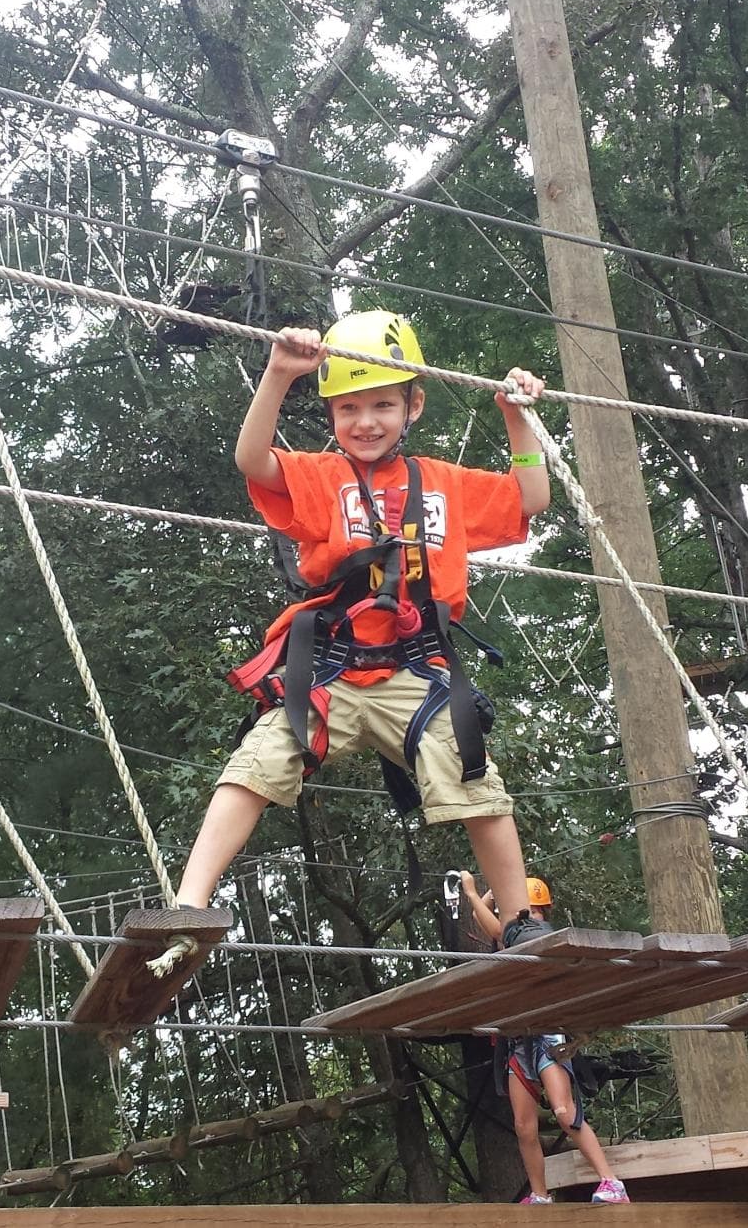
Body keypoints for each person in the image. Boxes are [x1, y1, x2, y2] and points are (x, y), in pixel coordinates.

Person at [173, 310, 547, 945]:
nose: (365, 421)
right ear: (331, 416)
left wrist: (518, 417)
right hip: (334, 667)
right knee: (261, 757)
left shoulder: (443, 483)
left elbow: (531, 498)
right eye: (348, 409)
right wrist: (278, 375)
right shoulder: (323, 478)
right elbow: (252, 459)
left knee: (471, 768)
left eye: (381, 405)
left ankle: (519, 920)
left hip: (416, 671)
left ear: (413, 405)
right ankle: (188, 903)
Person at [458, 871, 630, 1206]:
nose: (532, 915)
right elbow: (492, 929)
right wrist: (491, 896)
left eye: (535, 910)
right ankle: (539, 1194)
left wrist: (471, 892)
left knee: (565, 1113)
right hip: (517, 1042)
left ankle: (611, 1182)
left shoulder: (536, 933)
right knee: (524, 1127)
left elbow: (496, 930)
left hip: (548, 1037)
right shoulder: (513, 935)